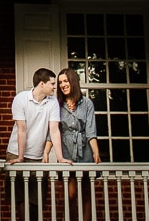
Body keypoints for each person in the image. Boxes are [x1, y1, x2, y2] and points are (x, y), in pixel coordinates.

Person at [7, 68, 71, 218]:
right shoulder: (21, 99)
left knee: (37, 201)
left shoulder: (53, 102)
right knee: (21, 201)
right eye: (53, 84)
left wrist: (60, 158)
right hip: (16, 152)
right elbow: (22, 129)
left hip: (37, 157)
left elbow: (54, 130)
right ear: (42, 84)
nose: (55, 87)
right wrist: (21, 158)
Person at [53, 67, 101, 220]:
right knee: (71, 194)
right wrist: (46, 153)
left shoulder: (87, 104)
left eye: (65, 81)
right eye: (60, 82)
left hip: (85, 151)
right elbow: (52, 131)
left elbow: (91, 131)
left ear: (73, 81)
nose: (63, 85)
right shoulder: (57, 105)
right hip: (67, 153)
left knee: (86, 193)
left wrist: (96, 152)